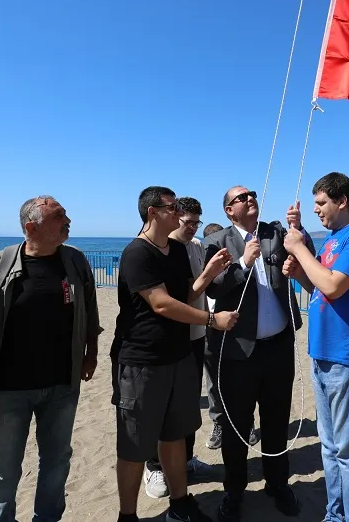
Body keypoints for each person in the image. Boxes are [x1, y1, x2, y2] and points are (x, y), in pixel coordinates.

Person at [0, 196, 101, 522]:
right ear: (32, 227)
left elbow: (90, 311)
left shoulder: (75, 262)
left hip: (62, 384)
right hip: (7, 388)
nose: (67, 220)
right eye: (59, 216)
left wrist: (92, 354)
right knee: (3, 468)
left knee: (57, 461)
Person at [113, 186, 238, 522]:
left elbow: (185, 295)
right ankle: (128, 515)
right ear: (153, 212)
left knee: (174, 435)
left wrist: (209, 273)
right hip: (142, 362)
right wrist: (213, 319)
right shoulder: (137, 253)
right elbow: (161, 303)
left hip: (179, 355)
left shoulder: (177, 250)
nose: (179, 214)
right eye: (172, 207)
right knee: (135, 445)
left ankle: (180, 504)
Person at [203, 186, 314, 522]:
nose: (250, 198)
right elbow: (212, 287)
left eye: (252, 193)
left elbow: (307, 255)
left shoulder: (275, 232)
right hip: (238, 351)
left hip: (278, 346)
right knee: (237, 425)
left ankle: (278, 484)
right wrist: (242, 262)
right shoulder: (217, 241)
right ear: (228, 210)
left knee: (277, 420)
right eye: (241, 197)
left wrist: (300, 229)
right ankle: (234, 490)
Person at [282, 172, 349, 522]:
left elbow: (335, 285)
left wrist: (297, 248)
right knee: (330, 447)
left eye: (321, 203)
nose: (317, 211)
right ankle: (335, 514)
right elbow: (320, 288)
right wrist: (299, 275)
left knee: (348, 450)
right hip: (323, 351)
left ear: (342, 201)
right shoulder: (331, 240)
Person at [143, 198, 217, 499]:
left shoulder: (196, 246)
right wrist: (209, 273)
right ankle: (155, 466)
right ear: (174, 218)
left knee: (187, 406)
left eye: (197, 223)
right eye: (188, 223)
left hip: (196, 336)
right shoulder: (161, 250)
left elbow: (203, 289)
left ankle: (186, 460)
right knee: (161, 407)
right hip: (172, 338)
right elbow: (181, 298)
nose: (192, 228)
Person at [200, 221, 257, 451]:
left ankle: (247, 423)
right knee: (212, 380)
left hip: (232, 328)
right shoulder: (201, 256)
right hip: (208, 326)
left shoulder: (230, 265)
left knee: (241, 382)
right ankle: (218, 423)